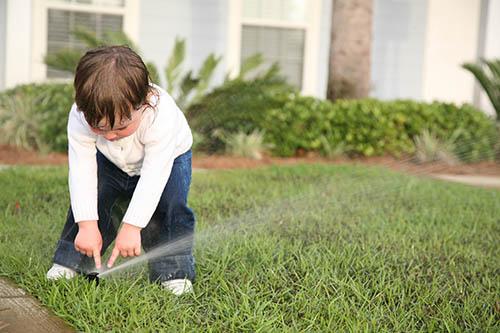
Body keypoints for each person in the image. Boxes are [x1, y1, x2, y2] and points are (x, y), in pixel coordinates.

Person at [46, 45, 196, 295]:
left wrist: (132, 226)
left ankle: (173, 271)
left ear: (145, 102)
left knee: (169, 208)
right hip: (111, 161)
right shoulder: (80, 116)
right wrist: (86, 225)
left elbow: (153, 178)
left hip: (168, 160)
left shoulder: (161, 116)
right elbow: (82, 171)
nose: (111, 135)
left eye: (121, 126)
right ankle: (71, 262)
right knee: (95, 200)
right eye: (100, 128)